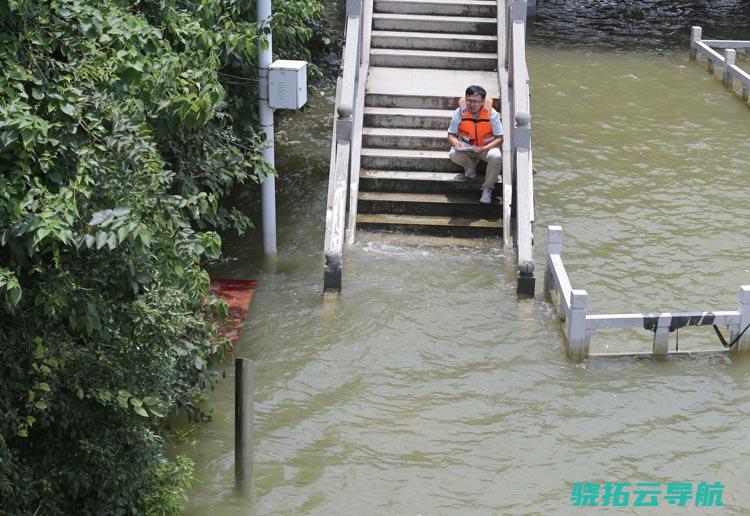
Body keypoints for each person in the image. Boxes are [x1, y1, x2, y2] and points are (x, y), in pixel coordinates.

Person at [447, 85, 503, 204]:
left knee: (496, 156)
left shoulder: (492, 113)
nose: (471, 104)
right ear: (465, 99)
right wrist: (455, 142)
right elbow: (451, 134)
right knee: (453, 153)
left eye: (476, 101)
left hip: (485, 148)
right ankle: (470, 166)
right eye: (469, 100)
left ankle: (488, 188)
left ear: (483, 101)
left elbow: (500, 138)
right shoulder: (459, 112)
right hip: (467, 148)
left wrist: (483, 148)